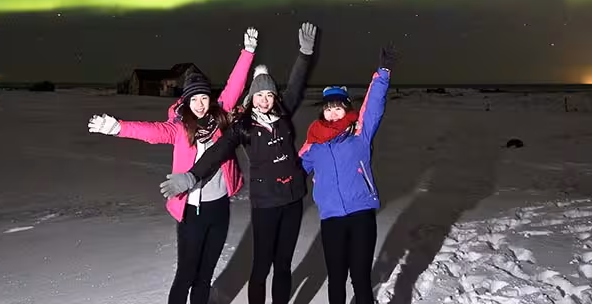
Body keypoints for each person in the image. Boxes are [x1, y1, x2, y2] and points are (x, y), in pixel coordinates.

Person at [87, 27, 259, 304]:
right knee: (186, 275)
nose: (201, 104)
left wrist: (247, 54)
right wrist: (117, 127)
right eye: (195, 99)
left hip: (219, 208)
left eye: (204, 98)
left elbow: (235, 86)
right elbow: (152, 131)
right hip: (191, 211)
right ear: (187, 102)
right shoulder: (179, 128)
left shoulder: (221, 118)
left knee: (205, 276)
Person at [159, 22, 318, 304]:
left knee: (283, 265)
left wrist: (304, 54)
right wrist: (191, 176)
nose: (265, 99)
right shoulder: (243, 126)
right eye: (259, 94)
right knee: (260, 268)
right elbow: (217, 152)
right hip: (265, 203)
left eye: (269, 94)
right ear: (251, 98)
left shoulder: (283, 113)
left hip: (293, 200)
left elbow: (296, 85)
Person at [298, 46, 394, 304]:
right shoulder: (314, 145)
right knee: (336, 278)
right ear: (322, 112)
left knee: (360, 278)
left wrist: (382, 73)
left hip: (360, 212)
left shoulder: (359, 134)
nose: (333, 112)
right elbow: (292, 170)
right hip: (331, 218)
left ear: (346, 109)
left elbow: (373, 106)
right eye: (328, 108)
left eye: (338, 107)